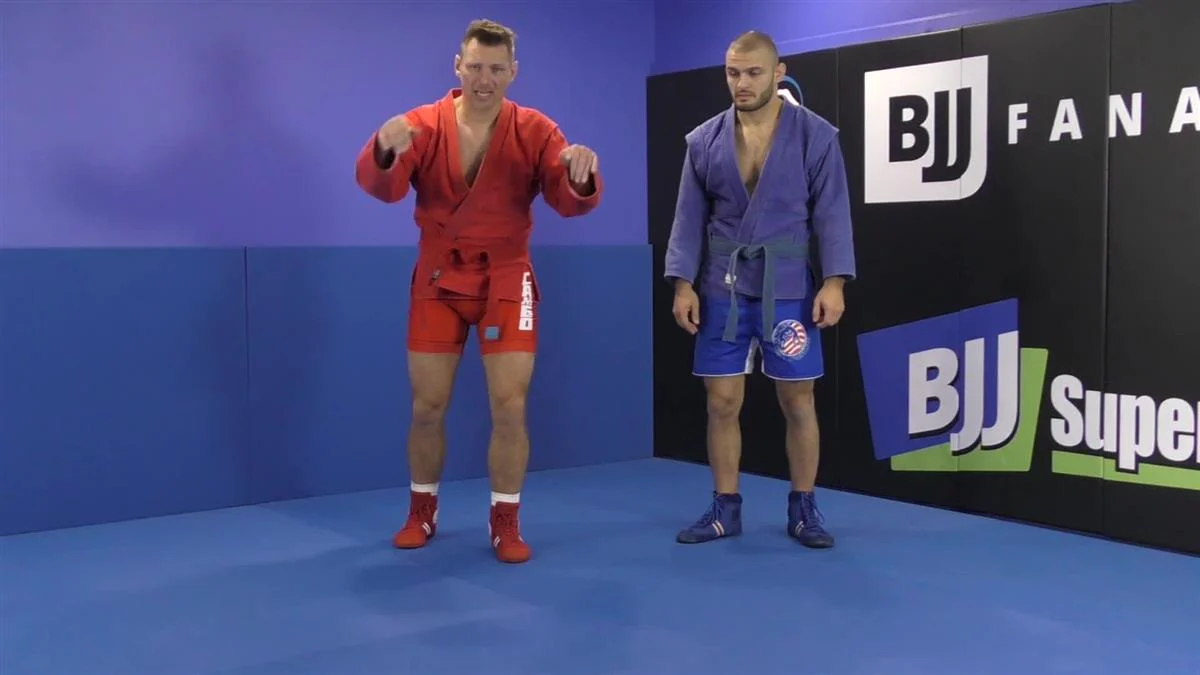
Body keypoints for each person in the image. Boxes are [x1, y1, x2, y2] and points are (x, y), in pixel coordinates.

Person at [354, 19, 603, 564]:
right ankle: (421, 511)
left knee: (510, 406)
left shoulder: (536, 130)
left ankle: (505, 520)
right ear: (457, 66)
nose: (484, 79)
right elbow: (383, 188)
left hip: (507, 277)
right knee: (427, 406)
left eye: (495, 69)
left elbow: (567, 198)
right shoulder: (422, 125)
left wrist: (580, 176)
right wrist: (384, 150)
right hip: (438, 277)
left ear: (513, 72)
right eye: (474, 67)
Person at [663, 30, 856, 549]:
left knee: (798, 399)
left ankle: (804, 507)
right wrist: (683, 284)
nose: (741, 83)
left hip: (788, 283)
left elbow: (832, 213)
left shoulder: (816, 136)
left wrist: (834, 281)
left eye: (753, 72)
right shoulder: (704, 140)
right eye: (733, 73)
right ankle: (725, 507)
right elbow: (687, 218)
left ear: (778, 72)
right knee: (721, 401)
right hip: (722, 285)